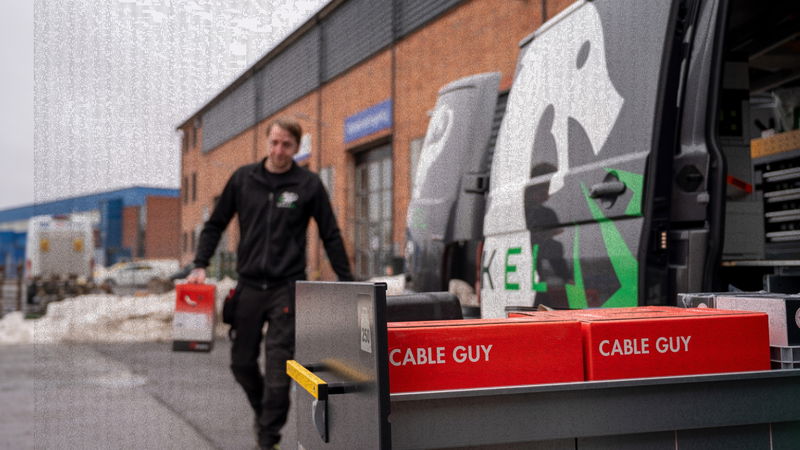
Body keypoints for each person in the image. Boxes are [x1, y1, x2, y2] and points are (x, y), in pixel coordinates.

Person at [187, 117, 353, 449]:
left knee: (279, 376)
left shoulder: (307, 185)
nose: (278, 151)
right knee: (241, 364)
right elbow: (215, 224)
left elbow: (330, 233)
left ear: (296, 148)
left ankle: (267, 439)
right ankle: (264, 413)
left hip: (286, 289)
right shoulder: (244, 179)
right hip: (248, 287)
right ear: (267, 142)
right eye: (274, 143)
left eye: (286, 145)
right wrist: (200, 264)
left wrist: (346, 279)